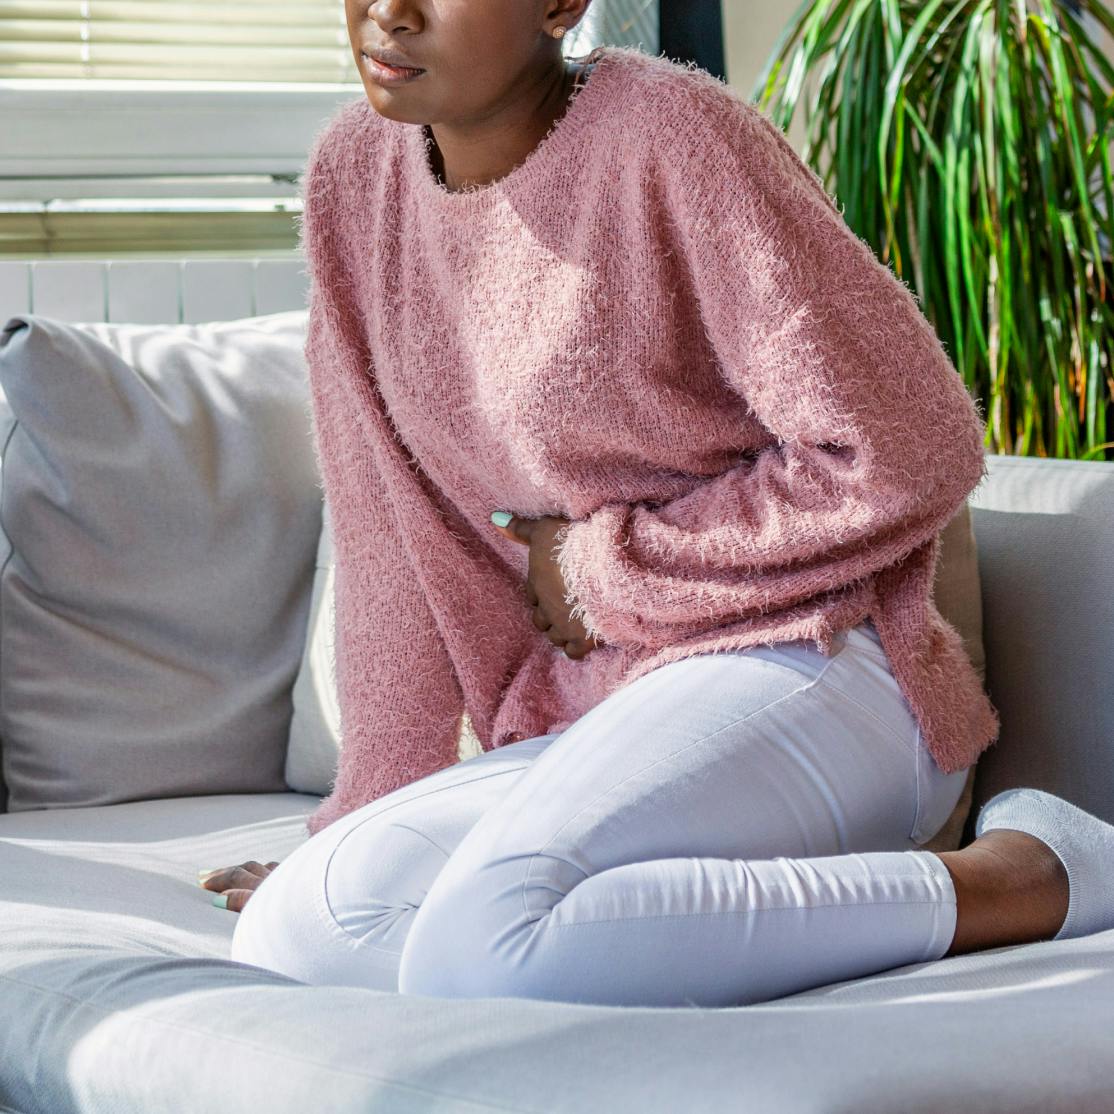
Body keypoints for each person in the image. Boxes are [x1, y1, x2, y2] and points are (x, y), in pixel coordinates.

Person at [199, 1, 1114, 1008]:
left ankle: (1024, 875)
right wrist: (369, 810)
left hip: (808, 664)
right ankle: (629, 925)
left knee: (480, 945)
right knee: (302, 931)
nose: (389, 11)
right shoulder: (353, 178)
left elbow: (910, 444)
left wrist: (603, 573)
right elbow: (386, 537)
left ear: (560, 6)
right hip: (602, 714)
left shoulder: (675, 139)